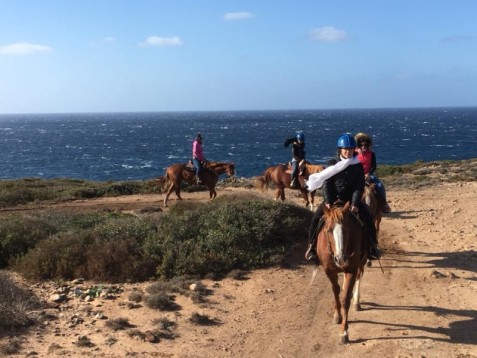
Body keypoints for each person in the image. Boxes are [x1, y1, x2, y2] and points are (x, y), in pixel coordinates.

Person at [304, 133, 381, 263]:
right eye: (346, 149)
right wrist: (328, 201)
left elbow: (358, 186)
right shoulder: (332, 163)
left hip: (351, 201)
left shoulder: (357, 165)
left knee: (368, 218)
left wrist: (355, 203)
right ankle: (311, 247)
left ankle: (373, 247)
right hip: (333, 200)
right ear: (340, 150)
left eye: (351, 149)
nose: (348, 152)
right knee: (315, 219)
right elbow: (327, 183)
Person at [354, 132, 391, 213]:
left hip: (369, 175)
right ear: (358, 145)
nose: (363, 147)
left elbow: (373, 166)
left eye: (365, 145)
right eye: (361, 145)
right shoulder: (354, 154)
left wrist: (368, 173)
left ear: (368, 145)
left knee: (380, 186)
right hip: (357, 176)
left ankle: (384, 204)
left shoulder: (371, 154)